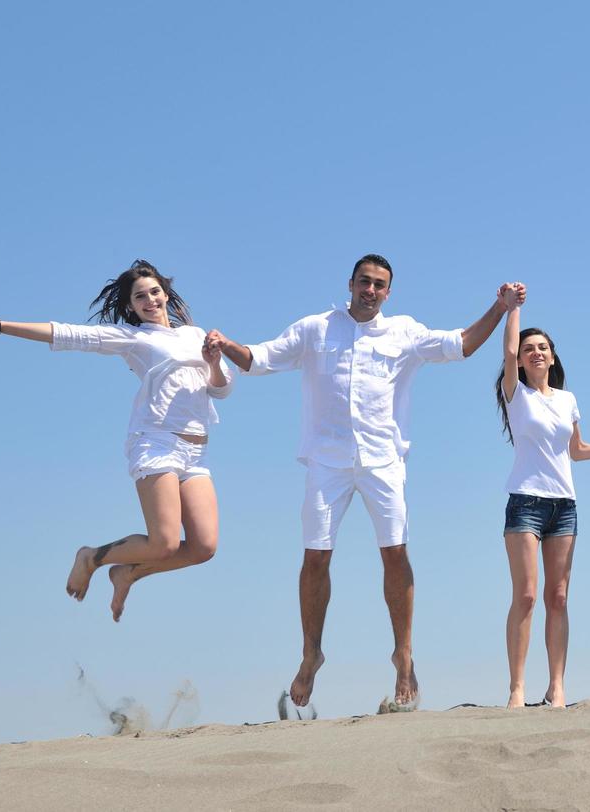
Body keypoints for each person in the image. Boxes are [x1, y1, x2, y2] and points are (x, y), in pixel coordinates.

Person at [207, 255, 520, 712]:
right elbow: (259, 360)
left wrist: (500, 307)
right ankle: (311, 652)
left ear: (389, 293)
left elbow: (463, 345)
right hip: (326, 461)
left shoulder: (404, 333)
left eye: (380, 285)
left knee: (395, 552)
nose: (370, 290)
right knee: (315, 557)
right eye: (364, 282)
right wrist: (224, 344)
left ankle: (404, 654)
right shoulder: (316, 329)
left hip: (383, 462)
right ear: (350, 283)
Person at [0, 260, 233, 622]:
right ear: (132, 306)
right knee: (164, 543)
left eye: (154, 292)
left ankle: (128, 573)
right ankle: (91, 557)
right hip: (157, 443)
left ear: (165, 293)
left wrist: (213, 361)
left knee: (203, 548)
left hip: (196, 450)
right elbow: (66, 334)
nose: (149, 300)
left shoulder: (196, 336)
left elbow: (222, 389)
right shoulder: (134, 339)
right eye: (140, 297)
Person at [494, 302, 590, 708]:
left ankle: (557, 686)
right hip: (525, 501)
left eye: (543, 347)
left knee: (558, 597)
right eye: (530, 349)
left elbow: (576, 451)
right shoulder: (516, 395)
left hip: (564, 505)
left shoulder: (567, 399)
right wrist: (513, 309)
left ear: (553, 356)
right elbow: (508, 351)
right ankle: (517, 688)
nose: (536, 352)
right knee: (526, 595)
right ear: (522, 362)